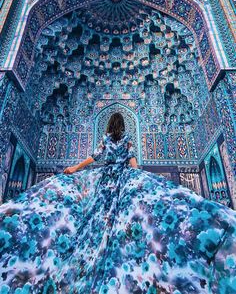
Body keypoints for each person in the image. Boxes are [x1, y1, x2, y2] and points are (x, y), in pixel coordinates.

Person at [0, 112, 236, 294]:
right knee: (122, 226)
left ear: (109, 126)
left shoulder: (105, 140)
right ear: (122, 126)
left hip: (104, 183)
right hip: (122, 182)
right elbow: (134, 165)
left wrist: (74, 168)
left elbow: (94, 157)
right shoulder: (127, 141)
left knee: (97, 223)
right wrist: (140, 179)